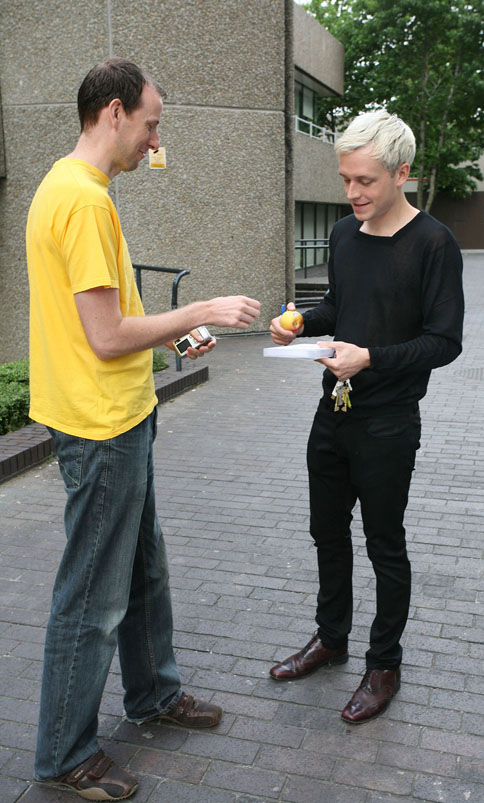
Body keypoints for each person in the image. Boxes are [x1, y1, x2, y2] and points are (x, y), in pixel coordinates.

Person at [26, 57, 261, 800]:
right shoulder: (86, 202)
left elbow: (104, 317)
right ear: (115, 112)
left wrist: (167, 338)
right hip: (101, 427)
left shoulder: (68, 187)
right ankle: (65, 754)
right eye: (152, 123)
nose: (156, 141)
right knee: (92, 596)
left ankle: (154, 693)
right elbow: (104, 335)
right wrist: (199, 310)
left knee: (141, 571)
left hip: (115, 415)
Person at [269, 110, 464, 723]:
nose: (352, 194)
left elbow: (444, 341)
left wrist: (371, 358)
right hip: (333, 412)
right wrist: (302, 320)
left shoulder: (434, 243)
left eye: (366, 181)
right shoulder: (343, 234)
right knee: (326, 533)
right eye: (346, 180)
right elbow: (340, 305)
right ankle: (331, 639)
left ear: (401, 173)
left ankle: (384, 664)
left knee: (384, 544)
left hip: (389, 424)